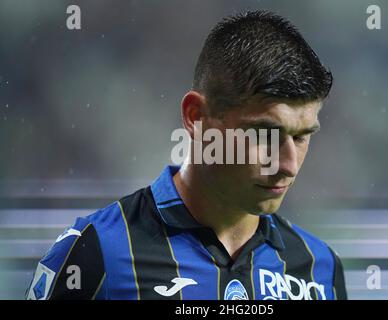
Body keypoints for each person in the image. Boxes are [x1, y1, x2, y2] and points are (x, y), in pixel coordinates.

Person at [26, 10, 347, 300]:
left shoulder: (320, 269)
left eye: (302, 137)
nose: (288, 165)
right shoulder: (95, 251)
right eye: (265, 134)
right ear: (196, 117)